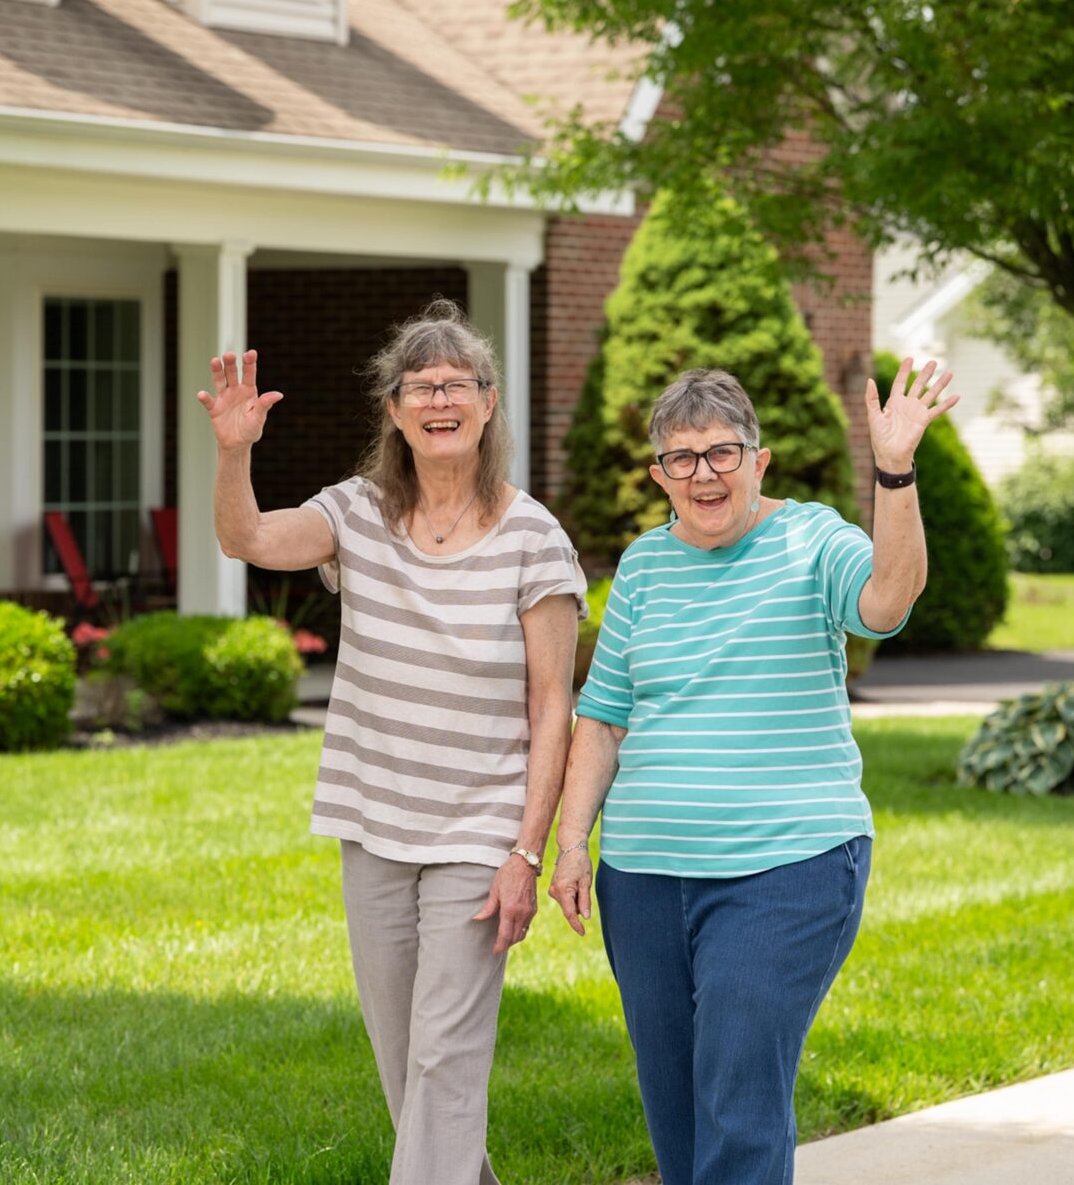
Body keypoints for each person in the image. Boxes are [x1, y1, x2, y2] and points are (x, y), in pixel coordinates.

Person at [197, 301, 585, 1185]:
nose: (439, 400)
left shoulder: (535, 539)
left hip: (477, 836)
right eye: (421, 387)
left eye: (458, 384)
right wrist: (233, 453)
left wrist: (527, 848)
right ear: (395, 410)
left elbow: (553, 705)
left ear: (489, 405)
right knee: (405, 1062)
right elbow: (248, 538)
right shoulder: (358, 513)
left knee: (445, 1062)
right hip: (374, 826)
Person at [548, 362, 956, 1185]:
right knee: (676, 1107)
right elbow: (604, 716)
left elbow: (888, 600)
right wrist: (570, 844)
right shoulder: (643, 568)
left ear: (759, 461)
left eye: (722, 453)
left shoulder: (814, 538)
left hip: (786, 870)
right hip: (645, 875)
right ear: (660, 474)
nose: (704, 474)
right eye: (682, 458)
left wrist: (895, 472)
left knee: (737, 1097)